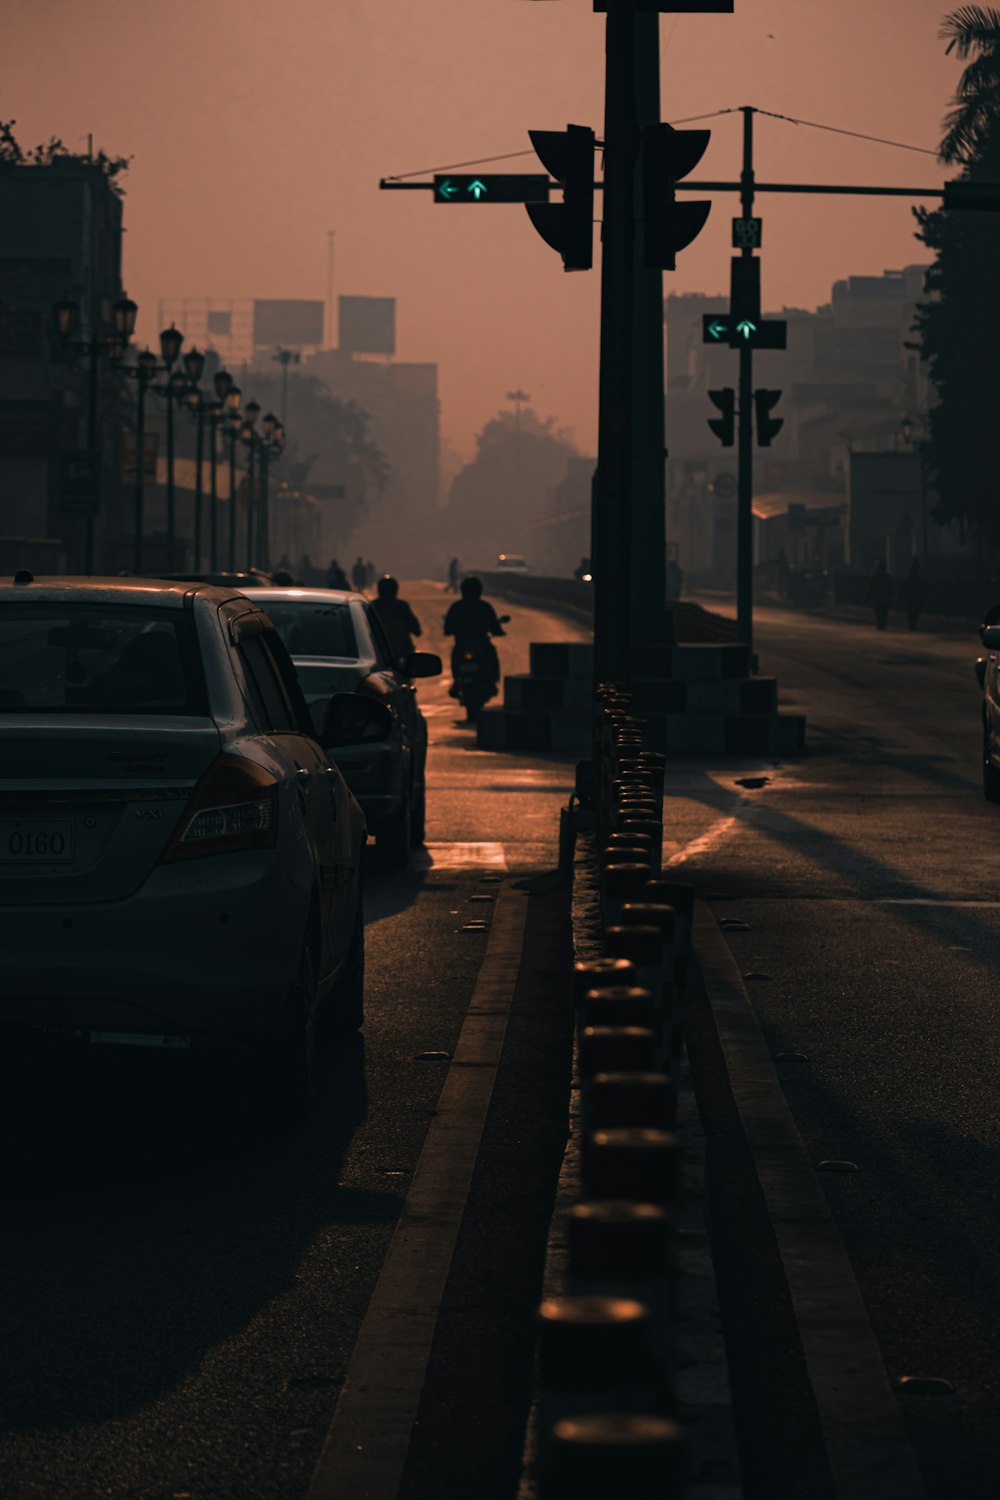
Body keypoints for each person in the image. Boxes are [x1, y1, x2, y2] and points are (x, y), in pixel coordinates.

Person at [443, 575, 506, 694]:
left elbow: (447, 628)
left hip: (461, 643)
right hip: (481, 643)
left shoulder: (456, 607)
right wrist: (498, 631)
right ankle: (493, 682)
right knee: (491, 654)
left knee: (455, 655)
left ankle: (456, 681)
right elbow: (495, 627)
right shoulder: (485, 607)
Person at [371, 575, 422, 664]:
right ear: (395, 590)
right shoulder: (402, 606)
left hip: (378, 652)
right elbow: (416, 630)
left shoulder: (373, 606)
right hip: (399, 652)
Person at [898, 557, 927, 631]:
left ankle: (911, 625)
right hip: (914, 598)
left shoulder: (909, 580)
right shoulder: (918, 578)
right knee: (914, 612)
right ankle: (912, 625)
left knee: (911, 612)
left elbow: (902, 590)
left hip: (911, 598)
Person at [866, 560, 894, 630]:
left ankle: (881, 624)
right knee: (879, 612)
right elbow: (871, 587)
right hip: (878, 598)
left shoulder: (886, 577)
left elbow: (891, 588)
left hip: (884, 598)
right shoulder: (876, 577)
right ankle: (880, 624)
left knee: (883, 612)